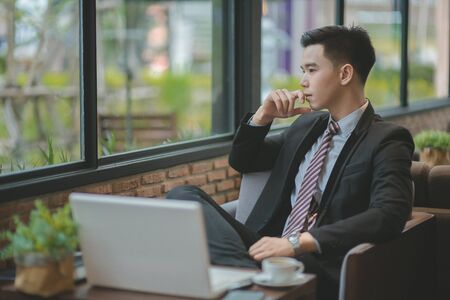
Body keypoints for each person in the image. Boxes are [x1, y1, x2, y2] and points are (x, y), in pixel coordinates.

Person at [167, 25, 413, 300]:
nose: (303, 81)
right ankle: (250, 283)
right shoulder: (307, 125)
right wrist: (263, 116)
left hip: (315, 262)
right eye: (302, 71)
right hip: (263, 246)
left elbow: (390, 214)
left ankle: (247, 284)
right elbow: (244, 161)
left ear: (345, 73)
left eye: (311, 70)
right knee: (183, 195)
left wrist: (296, 243)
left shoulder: (387, 139)